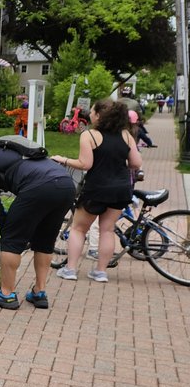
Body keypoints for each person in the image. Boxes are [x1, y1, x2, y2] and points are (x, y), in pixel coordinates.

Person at [0, 134, 75, 310]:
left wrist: (2, 217)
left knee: (11, 240)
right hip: (66, 185)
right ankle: (39, 292)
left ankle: (6, 294)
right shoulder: (9, 151)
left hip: (39, 186)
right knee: (44, 241)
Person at [51, 100, 142, 284]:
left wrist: (64, 159)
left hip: (97, 189)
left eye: (92, 111)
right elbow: (135, 163)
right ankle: (101, 272)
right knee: (107, 230)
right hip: (120, 189)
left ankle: (70, 269)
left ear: (99, 115)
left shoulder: (89, 135)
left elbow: (85, 164)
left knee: (78, 229)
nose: (90, 113)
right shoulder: (126, 135)